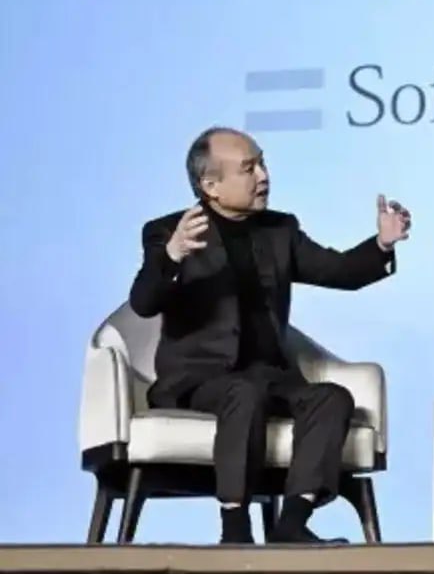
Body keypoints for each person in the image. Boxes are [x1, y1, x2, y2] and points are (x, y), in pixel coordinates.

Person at [129, 127, 411, 544]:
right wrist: (172, 256)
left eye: (262, 163)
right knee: (244, 393)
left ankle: (292, 524)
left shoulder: (279, 229)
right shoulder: (169, 232)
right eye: (249, 168)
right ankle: (235, 528)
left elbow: (338, 271)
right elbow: (143, 303)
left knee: (332, 398)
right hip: (200, 380)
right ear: (210, 186)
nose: (263, 176)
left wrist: (383, 245)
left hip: (269, 376)